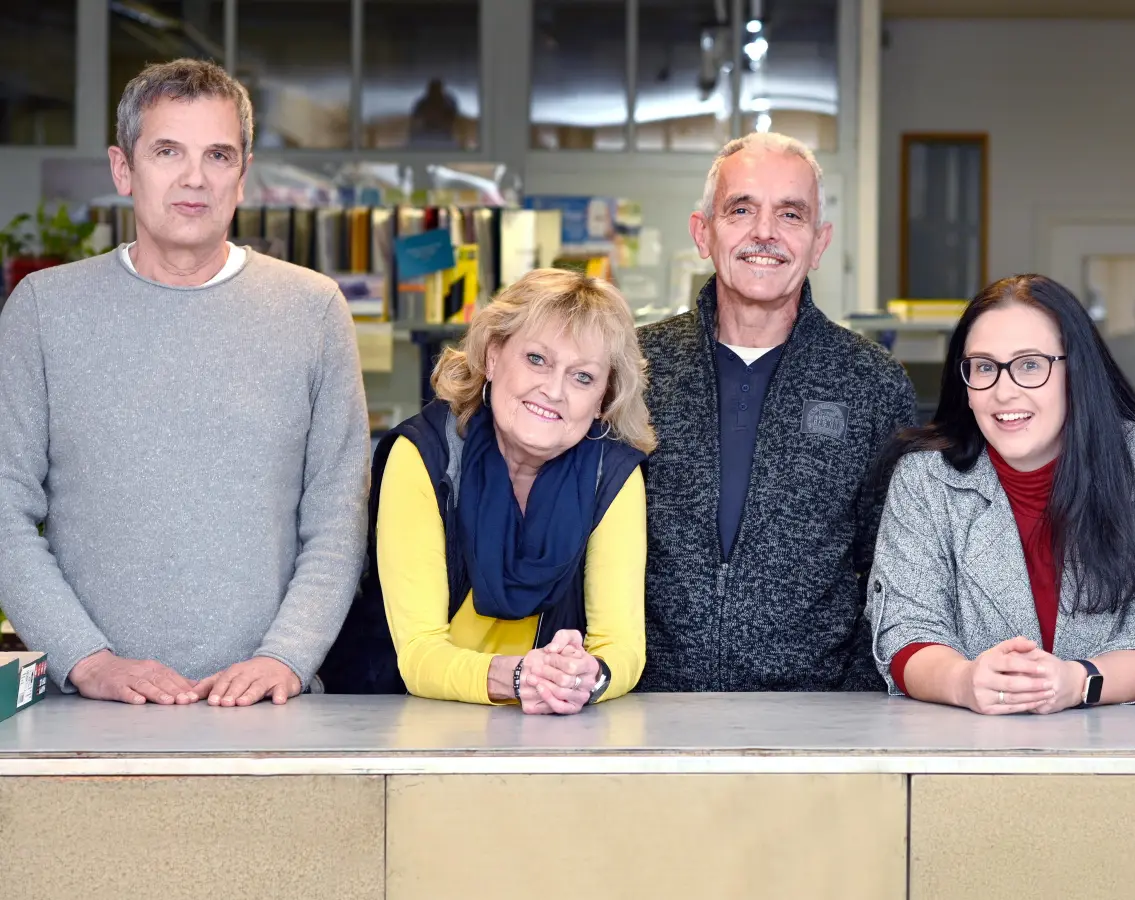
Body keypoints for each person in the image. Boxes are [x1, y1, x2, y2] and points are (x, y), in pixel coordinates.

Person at [0, 59, 369, 706]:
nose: (195, 177)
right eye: (168, 151)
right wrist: (86, 660)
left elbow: (337, 515)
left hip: (272, 711)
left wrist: (287, 656)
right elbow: (2, 506)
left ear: (243, 176)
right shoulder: (43, 311)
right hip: (92, 712)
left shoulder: (313, 310)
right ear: (124, 168)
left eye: (219, 155)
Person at [636, 132, 919, 692]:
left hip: (817, 726)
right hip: (645, 714)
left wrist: (853, 704)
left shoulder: (872, 383)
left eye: (791, 214)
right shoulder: (635, 368)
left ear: (818, 243)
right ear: (703, 232)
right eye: (741, 209)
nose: (764, 232)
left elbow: (895, 573)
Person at [866, 274, 1135, 714]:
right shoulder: (925, 479)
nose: (1003, 391)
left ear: (1077, 373)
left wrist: (1077, 681)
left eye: (1030, 365)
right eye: (984, 367)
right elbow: (906, 627)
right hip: (964, 749)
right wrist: (963, 681)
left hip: (1114, 750)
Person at [321, 270, 652, 713]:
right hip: (407, 722)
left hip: (549, 732)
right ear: (493, 356)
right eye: (537, 359)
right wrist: (519, 677)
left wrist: (586, 678)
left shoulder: (611, 475)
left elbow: (621, 647)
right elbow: (419, 655)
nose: (553, 391)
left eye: (582, 378)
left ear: (603, 397)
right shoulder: (425, 456)